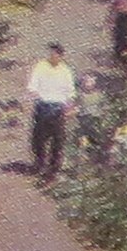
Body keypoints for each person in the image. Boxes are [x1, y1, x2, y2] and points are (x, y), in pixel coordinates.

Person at [30, 44, 78, 183]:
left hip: (58, 107)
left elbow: (70, 91)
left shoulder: (65, 70)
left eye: (55, 54)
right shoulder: (41, 66)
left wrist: (69, 105)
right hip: (43, 105)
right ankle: (39, 162)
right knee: (39, 138)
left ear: (60, 55)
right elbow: (33, 85)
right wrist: (36, 93)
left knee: (58, 140)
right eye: (50, 54)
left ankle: (54, 168)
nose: (52, 56)